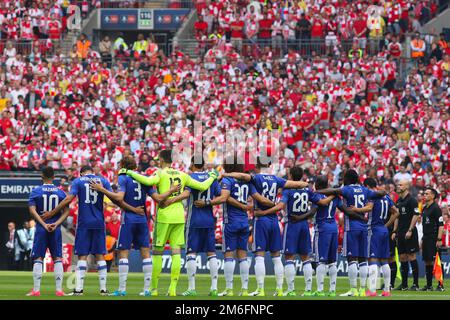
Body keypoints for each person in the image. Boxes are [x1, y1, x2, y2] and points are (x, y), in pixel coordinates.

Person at [120, 149, 219, 296]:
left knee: (158, 252)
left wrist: (128, 172)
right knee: (176, 252)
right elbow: (203, 186)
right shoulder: (183, 174)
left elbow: (147, 181)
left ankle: (153, 290)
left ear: (161, 159)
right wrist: (212, 176)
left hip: (164, 215)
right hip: (179, 216)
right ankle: (172, 289)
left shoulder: (160, 173)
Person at [90, 155, 180, 296]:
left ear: (123, 166)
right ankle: (146, 290)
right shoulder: (144, 178)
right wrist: (171, 190)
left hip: (129, 220)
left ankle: (122, 289)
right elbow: (157, 198)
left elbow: (119, 198)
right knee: (145, 253)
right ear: (135, 166)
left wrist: (102, 190)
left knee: (123, 252)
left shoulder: (123, 178)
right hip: (142, 220)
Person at [223, 157, 309, 296]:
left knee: (259, 256)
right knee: (276, 257)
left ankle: (260, 289)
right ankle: (280, 289)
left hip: (261, 219)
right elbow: (298, 185)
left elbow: (243, 176)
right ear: (269, 165)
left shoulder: (256, 178)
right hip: (274, 220)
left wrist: (226, 174)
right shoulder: (277, 179)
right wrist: (304, 184)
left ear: (257, 165)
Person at [254, 167, 334, 296]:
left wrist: (263, 212)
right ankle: (308, 290)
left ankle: (290, 290)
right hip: (304, 225)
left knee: (289, 257)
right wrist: (333, 194)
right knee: (305, 258)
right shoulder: (307, 190)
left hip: (292, 224)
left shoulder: (288, 190)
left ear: (290, 176)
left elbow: (280, 206)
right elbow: (323, 202)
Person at [43, 166, 119, 296]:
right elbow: (115, 199)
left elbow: (68, 199)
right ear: (92, 172)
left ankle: (79, 289)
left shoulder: (78, 181)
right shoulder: (103, 180)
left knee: (82, 255)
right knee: (100, 255)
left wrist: (53, 212)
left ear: (82, 173)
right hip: (99, 223)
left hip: (84, 222)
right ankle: (103, 289)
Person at [158, 156, 221, 296]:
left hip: (194, 220)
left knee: (191, 253)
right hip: (209, 220)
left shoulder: (190, 177)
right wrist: (208, 202)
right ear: (203, 165)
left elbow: (186, 194)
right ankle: (214, 288)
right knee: (211, 253)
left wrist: (170, 200)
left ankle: (192, 289)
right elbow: (220, 196)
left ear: (193, 164)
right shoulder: (212, 177)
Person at [318, 169, 386, 297]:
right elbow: (381, 193)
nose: (343, 180)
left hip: (352, 227)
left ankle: (353, 289)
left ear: (348, 179)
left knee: (352, 259)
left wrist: (317, 191)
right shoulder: (365, 190)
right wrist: (381, 192)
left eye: (344, 177)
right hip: (364, 228)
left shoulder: (347, 189)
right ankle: (362, 290)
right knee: (362, 260)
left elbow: (333, 191)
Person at [27, 166, 70, 296]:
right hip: (55, 229)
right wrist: (56, 223)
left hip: (41, 228)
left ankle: (36, 290)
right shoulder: (61, 193)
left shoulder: (35, 191)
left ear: (42, 176)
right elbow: (67, 211)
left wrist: (43, 223)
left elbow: (32, 210)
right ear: (54, 177)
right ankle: (59, 290)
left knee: (38, 257)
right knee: (57, 257)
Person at [360, 178, 399, 297]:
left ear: (367, 186)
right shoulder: (386, 197)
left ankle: (372, 290)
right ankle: (387, 290)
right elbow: (396, 212)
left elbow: (369, 208)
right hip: (383, 230)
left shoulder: (372, 195)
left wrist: (356, 209)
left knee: (372, 259)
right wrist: (386, 225)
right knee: (384, 260)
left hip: (374, 229)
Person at [395, 179, 420, 291]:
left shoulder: (412, 200)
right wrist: (395, 231)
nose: (398, 186)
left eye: (400, 184)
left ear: (406, 186)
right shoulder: (399, 200)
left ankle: (415, 284)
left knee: (411, 256)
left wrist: (410, 229)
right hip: (400, 232)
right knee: (402, 257)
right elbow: (396, 216)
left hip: (409, 232)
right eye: (398, 184)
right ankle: (404, 284)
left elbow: (416, 215)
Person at [420, 188, 445, 291]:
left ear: (433, 196)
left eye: (427, 194)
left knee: (436, 260)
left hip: (434, 237)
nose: (424, 195)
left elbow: (441, 225)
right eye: (424, 193)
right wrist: (422, 238)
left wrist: (439, 239)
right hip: (426, 237)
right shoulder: (425, 208)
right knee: (427, 261)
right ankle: (429, 285)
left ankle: (440, 285)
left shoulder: (436, 208)